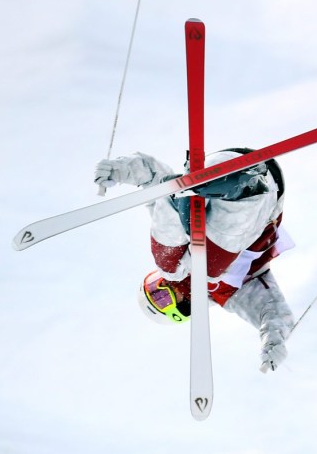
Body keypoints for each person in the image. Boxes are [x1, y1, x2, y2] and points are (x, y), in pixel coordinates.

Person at [94, 150, 296, 372]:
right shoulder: (229, 293)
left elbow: (152, 177)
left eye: (154, 285)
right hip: (263, 193)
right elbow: (274, 313)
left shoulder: (177, 261)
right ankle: (239, 190)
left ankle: (179, 196)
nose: (163, 286)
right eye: (161, 297)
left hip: (219, 166)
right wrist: (274, 342)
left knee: (174, 266)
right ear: (179, 312)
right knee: (206, 270)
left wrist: (120, 169)